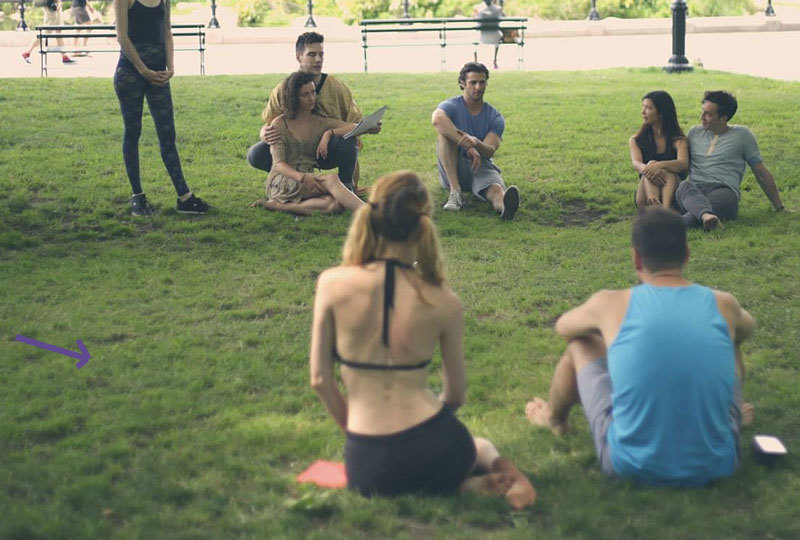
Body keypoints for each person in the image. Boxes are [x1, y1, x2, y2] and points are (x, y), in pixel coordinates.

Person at [309, 171, 536, 507]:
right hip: (438, 446)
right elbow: (455, 395)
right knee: (480, 446)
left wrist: (354, 430)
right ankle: (493, 476)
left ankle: (461, 486)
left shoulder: (331, 284)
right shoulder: (443, 300)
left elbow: (319, 380)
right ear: (421, 227)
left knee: (400, 479)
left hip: (368, 463)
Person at [526, 207, 755, 486]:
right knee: (731, 341)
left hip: (631, 463)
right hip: (718, 462)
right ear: (686, 253)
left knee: (581, 343)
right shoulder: (724, 304)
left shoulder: (609, 303)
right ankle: (730, 415)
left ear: (636, 257)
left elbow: (564, 327)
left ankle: (554, 418)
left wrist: (613, 336)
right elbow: (747, 328)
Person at [247, 32, 376, 192]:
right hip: (294, 150)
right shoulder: (283, 89)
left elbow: (355, 124)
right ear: (298, 57)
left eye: (321, 54)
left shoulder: (336, 86)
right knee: (256, 153)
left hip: (326, 150)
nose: (318, 59)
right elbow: (270, 122)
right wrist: (263, 133)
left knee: (348, 140)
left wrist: (368, 126)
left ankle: (345, 186)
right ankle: (288, 180)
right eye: (312, 54)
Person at [113, 0, 209, 216]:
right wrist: (143, 69)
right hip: (130, 73)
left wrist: (171, 67)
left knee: (167, 134)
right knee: (133, 132)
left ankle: (184, 197)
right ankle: (138, 197)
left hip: (158, 75)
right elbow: (122, 37)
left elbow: (167, 32)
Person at [249, 72, 372, 216]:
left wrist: (329, 133)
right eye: (305, 95)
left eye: (313, 92)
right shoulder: (280, 123)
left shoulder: (319, 121)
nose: (311, 98)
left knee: (336, 205)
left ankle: (279, 206)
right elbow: (278, 165)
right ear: (294, 98)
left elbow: (354, 127)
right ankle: (371, 214)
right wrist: (303, 177)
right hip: (284, 180)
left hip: (307, 178)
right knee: (331, 180)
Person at [674, 90, 785, 230]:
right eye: (702, 111)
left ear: (723, 118)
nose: (702, 117)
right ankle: (705, 216)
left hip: (723, 192)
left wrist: (779, 206)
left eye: (708, 114)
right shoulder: (694, 132)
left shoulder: (743, 135)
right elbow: (682, 164)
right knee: (684, 186)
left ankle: (678, 223)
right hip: (694, 190)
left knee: (715, 202)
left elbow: (761, 172)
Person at [432, 62, 519, 220]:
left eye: (482, 82)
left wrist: (476, 143)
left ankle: (504, 208)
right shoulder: (451, 106)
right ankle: (455, 192)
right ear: (463, 84)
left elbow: (490, 150)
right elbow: (437, 120)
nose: (478, 87)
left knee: (496, 190)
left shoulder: (495, 117)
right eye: (473, 82)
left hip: (480, 166)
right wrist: (467, 145)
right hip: (454, 167)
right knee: (444, 135)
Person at [629, 90, 688, 209]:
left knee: (667, 171)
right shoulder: (636, 140)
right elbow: (636, 163)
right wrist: (651, 168)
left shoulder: (679, 140)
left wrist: (660, 165)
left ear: (661, 113)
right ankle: (655, 202)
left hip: (672, 190)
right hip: (645, 192)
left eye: (648, 108)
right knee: (650, 165)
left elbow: (683, 164)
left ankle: (664, 209)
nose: (643, 112)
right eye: (643, 107)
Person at [21, 0, 74, 65]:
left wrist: (59, 3)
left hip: (56, 13)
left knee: (58, 35)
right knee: (43, 35)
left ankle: (64, 56)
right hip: (51, 15)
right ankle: (27, 51)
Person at [473, 0, 503, 70]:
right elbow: (499, 20)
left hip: (482, 35)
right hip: (495, 36)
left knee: (474, 37)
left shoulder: (478, 8)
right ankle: (495, 60)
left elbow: (476, 21)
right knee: (498, 36)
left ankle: (475, 61)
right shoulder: (498, 9)